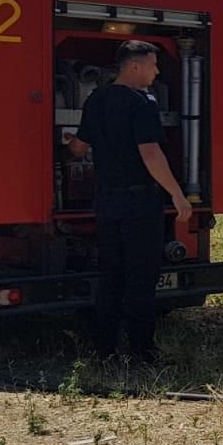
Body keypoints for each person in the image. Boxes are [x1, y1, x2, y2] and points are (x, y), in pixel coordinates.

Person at [65, 40, 192, 363]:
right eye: (152, 64)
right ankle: (141, 350)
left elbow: (79, 149)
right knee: (141, 276)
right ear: (134, 67)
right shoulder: (141, 103)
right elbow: (150, 153)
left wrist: (68, 145)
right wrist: (177, 194)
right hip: (139, 204)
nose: (157, 71)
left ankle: (105, 349)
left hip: (107, 202)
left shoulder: (96, 99)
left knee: (111, 276)